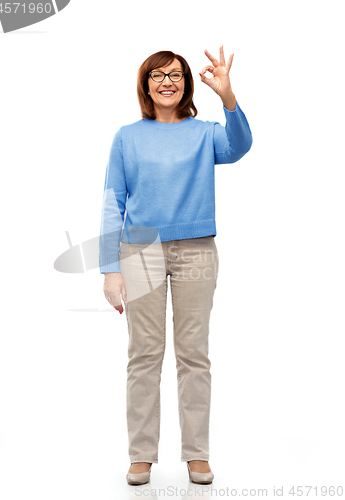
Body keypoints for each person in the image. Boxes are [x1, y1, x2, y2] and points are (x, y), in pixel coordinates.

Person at [99, 46, 253, 485]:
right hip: (141, 250)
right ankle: (141, 453)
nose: (167, 81)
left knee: (193, 355)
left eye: (176, 75)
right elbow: (114, 201)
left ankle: (197, 453)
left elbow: (240, 146)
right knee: (143, 356)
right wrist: (110, 267)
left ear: (186, 84)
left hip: (196, 250)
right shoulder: (127, 137)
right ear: (146, 85)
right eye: (158, 75)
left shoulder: (205, 133)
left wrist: (228, 98)